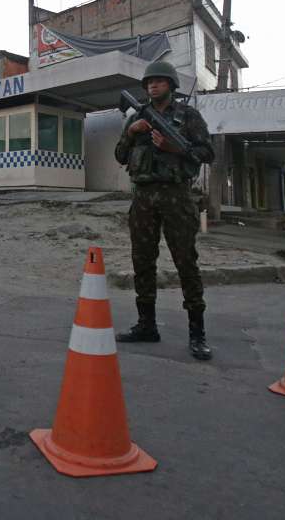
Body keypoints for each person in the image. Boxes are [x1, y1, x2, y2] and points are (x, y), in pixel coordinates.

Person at [113, 60, 215, 359]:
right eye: (148, 82)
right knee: (142, 262)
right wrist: (132, 132)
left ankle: (197, 333)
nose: (152, 86)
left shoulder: (187, 116)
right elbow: (120, 156)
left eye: (158, 81)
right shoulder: (136, 117)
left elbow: (207, 153)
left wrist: (176, 149)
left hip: (176, 196)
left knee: (186, 262)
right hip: (143, 197)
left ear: (171, 85)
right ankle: (146, 325)